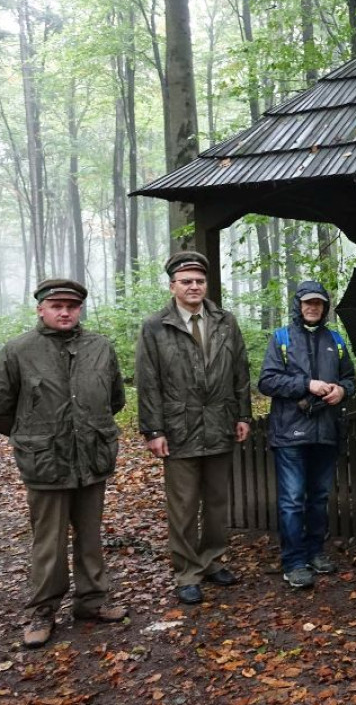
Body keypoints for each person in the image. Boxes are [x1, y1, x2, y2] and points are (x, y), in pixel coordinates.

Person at [0, 280, 128, 648]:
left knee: (90, 536)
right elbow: (3, 408)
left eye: (72, 306)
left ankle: (92, 601)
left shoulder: (100, 347)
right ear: (40, 308)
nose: (65, 312)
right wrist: (32, 436)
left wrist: (88, 430)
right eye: (56, 305)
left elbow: (114, 399)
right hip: (45, 463)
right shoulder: (18, 350)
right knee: (48, 542)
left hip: (92, 457)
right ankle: (43, 611)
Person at [135, 252, 252, 605]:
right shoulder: (156, 326)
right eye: (186, 281)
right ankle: (187, 571)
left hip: (219, 424)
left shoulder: (225, 321)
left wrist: (242, 415)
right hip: (178, 427)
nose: (194, 287)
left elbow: (240, 373)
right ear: (173, 286)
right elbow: (148, 381)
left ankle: (213, 560)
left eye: (199, 281)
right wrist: (153, 430)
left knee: (217, 502)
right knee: (183, 506)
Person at [258, 281, 356, 589]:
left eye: (319, 303)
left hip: (326, 430)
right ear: (298, 306)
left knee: (319, 497)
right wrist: (306, 384)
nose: (313, 308)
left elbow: (350, 379)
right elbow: (267, 381)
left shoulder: (336, 340)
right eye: (308, 303)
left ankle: (315, 552)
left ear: (325, 307)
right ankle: (294, 562)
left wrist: (342, 391)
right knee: (292, 499)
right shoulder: (282, 339)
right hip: (290, 432)